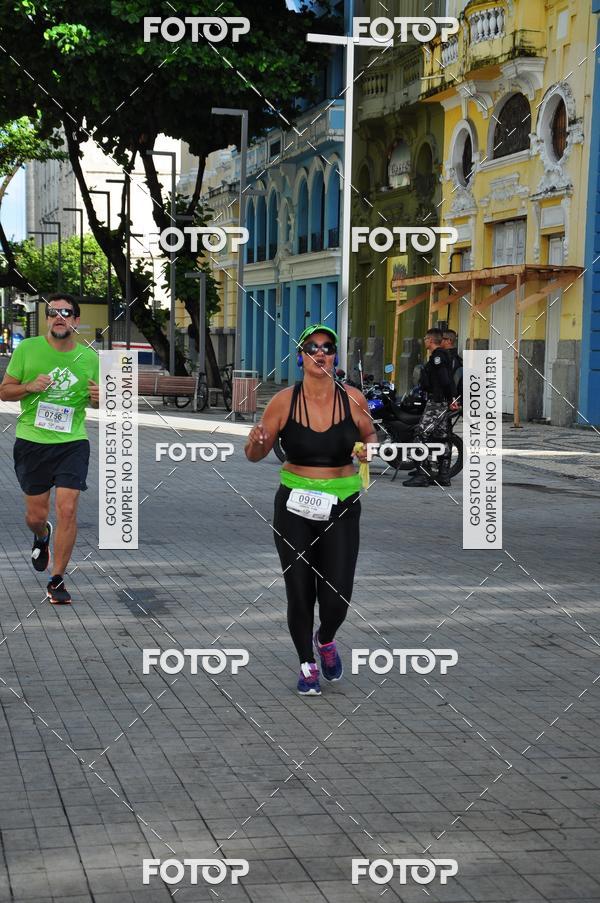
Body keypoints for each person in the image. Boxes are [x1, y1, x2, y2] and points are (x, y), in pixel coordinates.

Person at [244, 324, 376, 696]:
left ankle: (327, 638)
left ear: (334, 357)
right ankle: (306, 663)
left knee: (336, 597)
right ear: (301, 356)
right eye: (312, 347)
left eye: (328, 348)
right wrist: (255, 442)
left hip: (342, 503)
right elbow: (254, 454)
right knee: (299, 590)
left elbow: (369, 433)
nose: (320, 353)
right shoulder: (284, 401)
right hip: (295, 505)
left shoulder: (352, 398)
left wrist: (368, 449)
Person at [0, 293, 100, 604]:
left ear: (76, 320)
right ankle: (42, 536)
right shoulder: (28, 349)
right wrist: (28, 387)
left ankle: (57, 579)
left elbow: (100, 400)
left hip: (72, 442)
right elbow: (4, 392)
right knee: (35, 515)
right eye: (53, 312)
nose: (59, 317)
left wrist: (100, 397)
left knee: (68, 508)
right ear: (47, 319)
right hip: (33, 442)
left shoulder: (90, 359)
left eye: (66, 312)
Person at [403, 328, 455, 488]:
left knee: (420, 434)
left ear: (431, 340)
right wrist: (452, 398)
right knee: (442, 437)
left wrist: (450, 398)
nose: (424, 341)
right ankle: (443, 475)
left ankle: (422, 475)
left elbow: (445, 380)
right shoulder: (441, 356)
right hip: (442, 401)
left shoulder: (438, 357)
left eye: (426, 338)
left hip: (437, 402)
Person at [441, 329, 463, 405]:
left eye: (442, 338)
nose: (439, 341)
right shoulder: (453, 357)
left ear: (449, 341)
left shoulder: (450, 359)